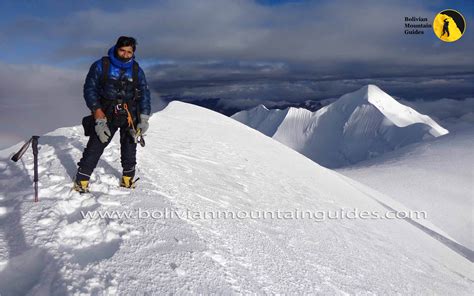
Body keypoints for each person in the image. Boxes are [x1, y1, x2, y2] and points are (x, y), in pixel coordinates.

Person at [74, 36, 151, 193]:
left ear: (133, 52)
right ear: (116, 48)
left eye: (129, 52)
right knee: (96, 145)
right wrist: (97, 112)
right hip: (106, 112)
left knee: (130, 146)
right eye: (122, 50)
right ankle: (81, 180)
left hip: (130, 113)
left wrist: (144, 118)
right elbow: (90, 89)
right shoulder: (102, 65)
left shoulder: (136, 70)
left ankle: (128, 179)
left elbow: (144, 93)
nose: (125, 54)